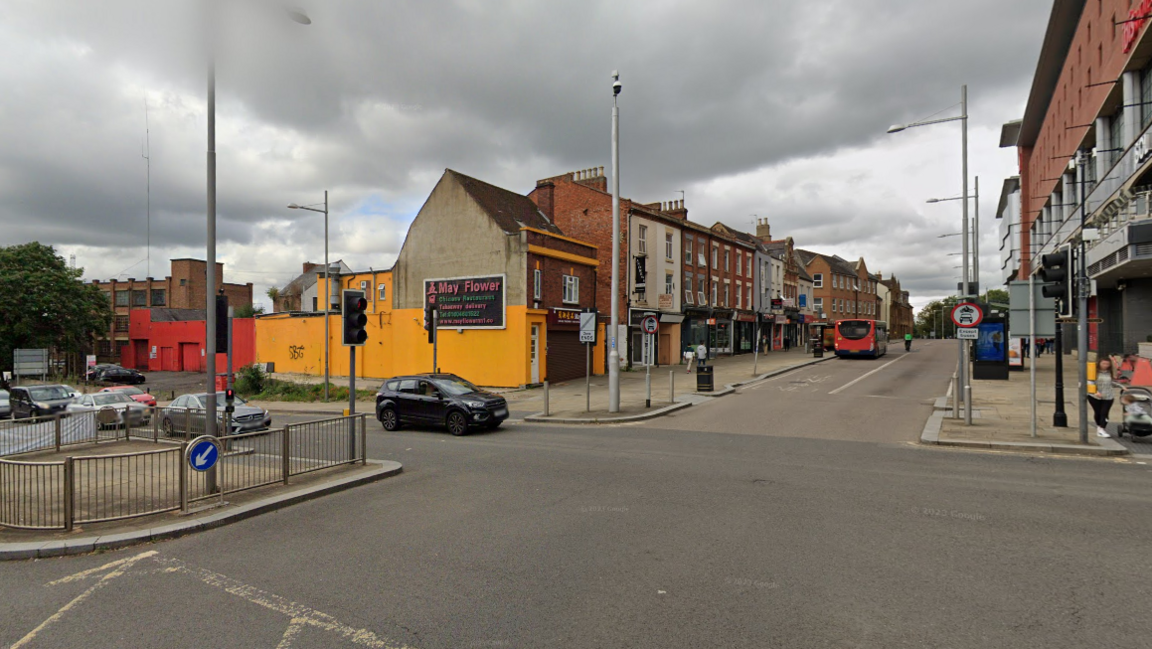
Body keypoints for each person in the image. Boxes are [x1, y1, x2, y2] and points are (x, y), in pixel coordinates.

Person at [1088, 357, 1117, 437]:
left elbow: (1112, 383)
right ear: (1099, 363)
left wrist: (1122, 387)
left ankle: (1102, 428)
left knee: (1104, 413)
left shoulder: (1110, 372)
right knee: (1098, 412)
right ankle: (1099, 427)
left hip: (1108, 396)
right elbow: (1090, 382)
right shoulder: (1094, 371)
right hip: (1094, 396)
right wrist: (1095, 392)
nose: (1105, 365)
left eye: (1107, 364)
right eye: (1103, 363)